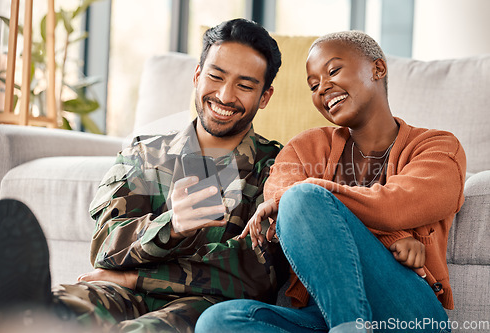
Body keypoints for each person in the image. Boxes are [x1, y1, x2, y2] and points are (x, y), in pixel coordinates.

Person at [0, 18, 287, 332]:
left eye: (244, 86)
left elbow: (255, 275)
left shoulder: (277, 167)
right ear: (198, 76)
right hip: (120, 292)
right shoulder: (144, 154)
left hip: (203, 304)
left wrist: (134, 275)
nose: (225, 96)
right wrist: (170, 226)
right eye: (216, 76)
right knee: (62, 308)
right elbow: (105, 246)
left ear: (264, 96)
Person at [195, 31, 466, 333]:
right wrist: (393, 237)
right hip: (324, 315)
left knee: (302, 199)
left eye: (333, 71)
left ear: (378, 69)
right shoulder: (305, 147)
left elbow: (396, 206)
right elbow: (280, 197)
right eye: (313, 85)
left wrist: (315, 196)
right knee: (217, 322)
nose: (323, 87)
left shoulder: (438, 147)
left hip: (406, 314)